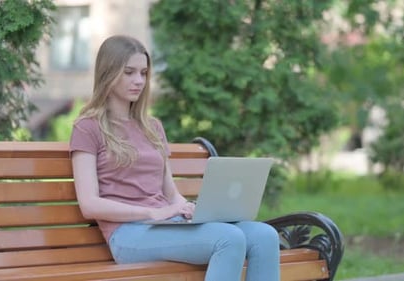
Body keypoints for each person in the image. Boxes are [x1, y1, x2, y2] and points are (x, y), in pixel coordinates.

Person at [69, 35, 280, 281]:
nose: (139, 80)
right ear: (108, 72)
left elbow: (170, 192)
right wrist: (150, 213)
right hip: (128, 234)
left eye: (144, 73)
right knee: (228, 239)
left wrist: (185, 208)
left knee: (265, 236)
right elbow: (89, 204)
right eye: (129, 72)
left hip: (169, 224)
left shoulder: (152, 127)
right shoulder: (87, 128)